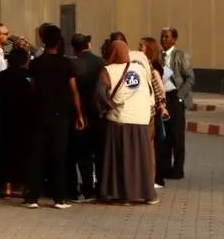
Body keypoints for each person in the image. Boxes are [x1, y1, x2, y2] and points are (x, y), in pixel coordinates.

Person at [23, 25, 85, 210]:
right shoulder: (67, 64)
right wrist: (79, 114)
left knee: (37, 156)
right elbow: (74, 90)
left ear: (43, 40)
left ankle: (33, 197)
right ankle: (59, 198)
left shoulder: (36, 63)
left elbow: (32, 87)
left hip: (39, 113)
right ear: (59, 42)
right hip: (60, 115)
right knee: (58, 156)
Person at [98, 39, 157, 204]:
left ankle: (123, 195)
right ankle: (147, 194)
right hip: (141, 119)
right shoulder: (139, 68)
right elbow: (149, 88)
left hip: (120, 120)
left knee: (122, 159)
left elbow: (100, 94)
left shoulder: (108, 71)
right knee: (141, 159)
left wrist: (105, 108)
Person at [0, 46, 33, 198]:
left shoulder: (1, 76)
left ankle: (7, 186)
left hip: (3, 119)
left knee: (4, 152)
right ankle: (25, 187)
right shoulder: (29, 77)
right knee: (25, 152)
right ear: (25, 61)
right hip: (24, 120)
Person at [68, 33, 106, 201]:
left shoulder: (72, 64)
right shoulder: (100, 62)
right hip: (97, 113)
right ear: (88, 45)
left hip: (79, 114)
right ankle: (99, 187)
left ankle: (86, 187)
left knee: (82, 153)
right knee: (98, 152)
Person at [158, 27, 194, 182]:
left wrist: (180, 97)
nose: (163, 39)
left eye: (166, 36)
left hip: (176, 98)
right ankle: (165, 168)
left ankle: (178, 170)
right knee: (165, 136)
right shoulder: (158, 56)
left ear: (174, 39)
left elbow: (190, 79)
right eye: (162, 36)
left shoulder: (181, 56)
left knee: (177, 136)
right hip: (162, 98)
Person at [139, 37, 170, 187]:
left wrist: (161, 106)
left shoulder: (153, 66)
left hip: (153, 110)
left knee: (154, 145)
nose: (139, 48)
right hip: (147, 109)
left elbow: (159, 89)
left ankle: (156, 178)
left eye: (142, 46)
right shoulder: (142, 63)